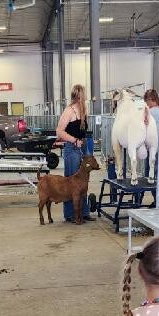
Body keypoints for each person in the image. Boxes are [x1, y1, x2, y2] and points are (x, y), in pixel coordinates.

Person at [55, 84, 91, 223]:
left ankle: (83, 212)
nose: (84, 97)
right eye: (83, 94)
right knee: (71, 183)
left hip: (83, 146)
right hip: (72, 147)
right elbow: (59, 131)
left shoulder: (83, 110)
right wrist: (74, 141)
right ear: (78, 95)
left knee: (83, 181)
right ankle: (70, 214)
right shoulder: (69, 111)